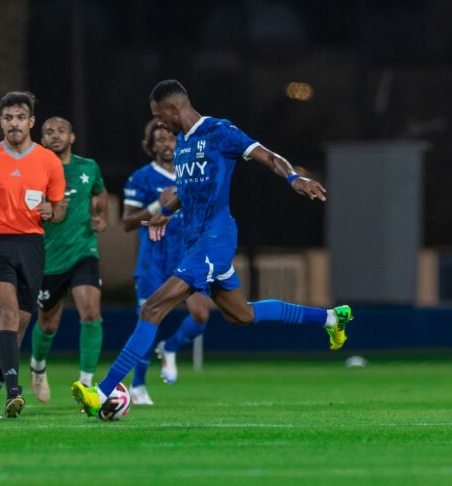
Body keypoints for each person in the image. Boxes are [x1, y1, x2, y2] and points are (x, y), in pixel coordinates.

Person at [71, 79, 354, 417]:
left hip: (215, 239)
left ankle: (102, 391)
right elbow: (186, 190)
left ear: (175, 109)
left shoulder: (219, 131)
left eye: (160, 116)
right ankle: (329, 319)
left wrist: (294, 178)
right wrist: (164, 213)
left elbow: (267, 155)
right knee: (241, 314)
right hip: (196, 241)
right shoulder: (183, 144)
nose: (159, 124)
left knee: (152, 310)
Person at [0, 91, 66, 419]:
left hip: (32, 247)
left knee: (20, 326)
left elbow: (59, 208)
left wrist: (53, 212)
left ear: (31, 122)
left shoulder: (48, 161)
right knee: (7, 316)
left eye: (20, 117)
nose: (14, 123)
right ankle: (14, 392)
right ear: (1, 122)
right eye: (8, 118)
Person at [122, 120, 210, 405]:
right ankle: (137, 385)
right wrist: (155, 210)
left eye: (171, 138)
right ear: (151, 145)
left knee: (201, 315)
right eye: (160, 139)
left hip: (187, 256)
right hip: (154, 260)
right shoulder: (141, 179)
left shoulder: (193, 174)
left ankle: (170, 348)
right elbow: (129, 223)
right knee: (149, 320)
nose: (166, 144)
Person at [28, 116, 108, 403]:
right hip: (49, 257)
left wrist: (101, 216)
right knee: (48, 323)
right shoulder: (34, 171)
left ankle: (86, 384)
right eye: (49, 132)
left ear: (72, 137)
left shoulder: (88, 167)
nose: (55, 135)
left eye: (61, 131)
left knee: (91, 312)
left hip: (83, 251)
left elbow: (99, 192)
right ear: (41, 140)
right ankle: (37, 366)